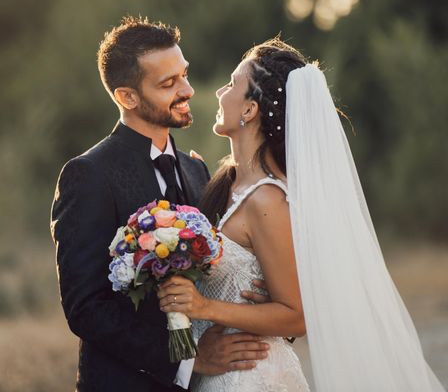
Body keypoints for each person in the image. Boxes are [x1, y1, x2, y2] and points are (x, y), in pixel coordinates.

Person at [158, 38, 445, 391]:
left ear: (250, 110)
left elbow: (295, 316)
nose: (220, 91)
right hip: (218, 373)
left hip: (250, 377)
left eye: (232, 84)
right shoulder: (225, 184)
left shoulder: (267, 200)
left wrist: (205, 307)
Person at [51, 16, 271, 392]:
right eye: (168, 83)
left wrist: (252, 293)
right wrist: (188, 359)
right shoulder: (88, 174)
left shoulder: (197, 169)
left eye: (183, 74)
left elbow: (219, 264)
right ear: (127, 97)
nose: (186, 89)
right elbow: (85, 308)